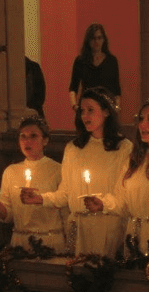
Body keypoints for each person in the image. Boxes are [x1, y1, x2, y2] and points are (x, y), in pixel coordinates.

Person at [21, 87, 132, 257]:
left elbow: (124, 197)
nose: (85, 116)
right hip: (79, 228)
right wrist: (41, 198)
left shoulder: (123, 148)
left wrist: (103, 203)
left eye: (90, 110)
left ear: (106, 112)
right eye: (82, 111)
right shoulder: (73, 148)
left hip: (107, 228)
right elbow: (65, 193)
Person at [83, 99, 149, 255]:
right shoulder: (133, 160)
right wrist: (103, 204)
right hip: (136, 238)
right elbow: (122, 201)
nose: (143, 125)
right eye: (141, 119)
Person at [0, 116, 68, 252]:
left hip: (50, 241)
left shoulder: (58, 170)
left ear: (45, 140)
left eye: (33, 136)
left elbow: (65, 212)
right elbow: (7, 216)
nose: (27, 141)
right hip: (20, 243)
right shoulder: (11, 171)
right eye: (22, 136)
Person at [68, 23, 121, 110]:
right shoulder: (80, 61)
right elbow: (73, 87)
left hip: (105, 107)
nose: (96, 42)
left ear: (104, 40)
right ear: (88, 41)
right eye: (93, 38)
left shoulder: (111, 61)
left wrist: (117, 107)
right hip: (87, 106)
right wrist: (75, 106)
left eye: (99, 38)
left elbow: (116, 89)